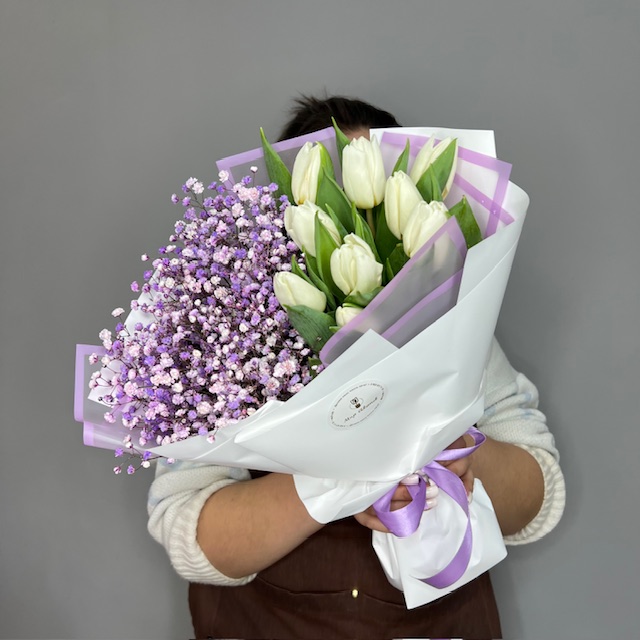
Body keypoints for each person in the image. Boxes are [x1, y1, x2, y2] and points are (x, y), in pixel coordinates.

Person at [147, 95, 566, 639]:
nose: (350, 217)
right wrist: (343, 475)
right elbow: (188, 532)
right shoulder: (227, 336)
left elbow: (538, 494)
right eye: (329, 191)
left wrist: (457, 458)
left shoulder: (456, 316)